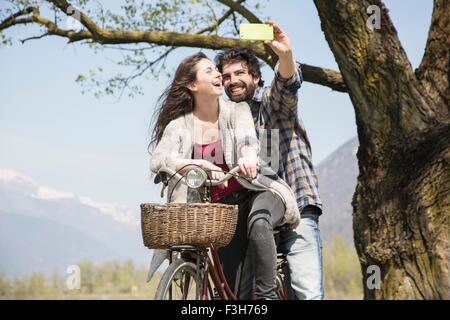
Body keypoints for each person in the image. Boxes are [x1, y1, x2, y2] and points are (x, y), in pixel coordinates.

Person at [148, 52, 300, 300]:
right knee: (229, 293)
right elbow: (159, 160)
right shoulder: (179, 125)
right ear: (193, 85)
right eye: (209, 71)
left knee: (259, 222)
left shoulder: (236, 111)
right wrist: (192, 163)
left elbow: (245, 137)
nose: (218, 74)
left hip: (257, 191)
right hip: (222, 211)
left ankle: (267, 297)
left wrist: (248, 155)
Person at [215, 21, 324, 300]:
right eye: (226, 76)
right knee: (239, 294)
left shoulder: (270, 102)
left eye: (240, 73)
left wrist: (285, 54)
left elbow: (287, 84)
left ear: (256, 78)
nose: (232, 80)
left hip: (297, 202)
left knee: (306, 291)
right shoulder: (227, 119)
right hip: (253, 209)